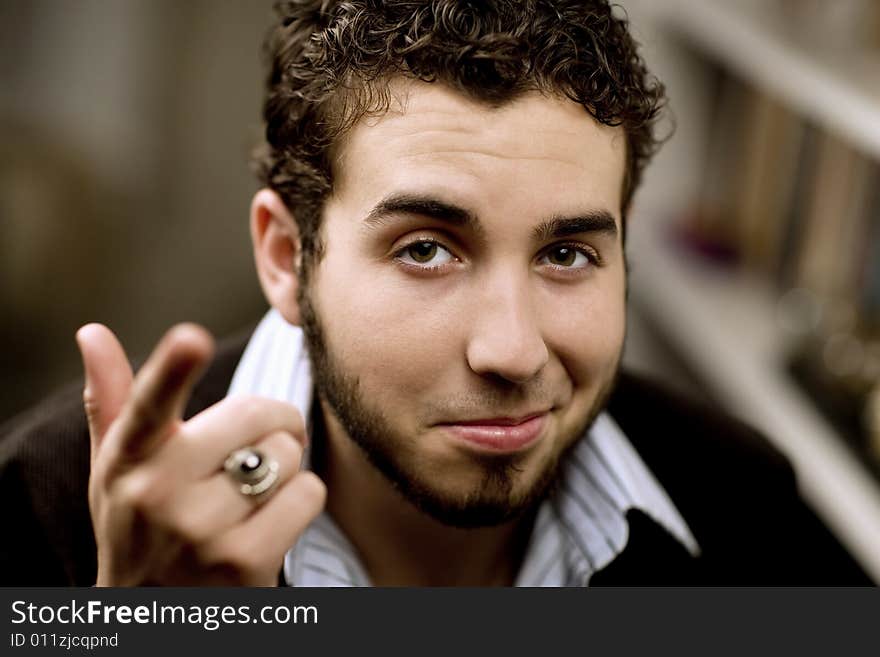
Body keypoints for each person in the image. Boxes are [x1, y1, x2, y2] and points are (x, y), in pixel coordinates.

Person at [0, 0, 870, 587]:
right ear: (285, 255)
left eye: (567, 252)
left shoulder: (744, 507)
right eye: (426, 249)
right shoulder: (46, 513)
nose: (514, 350)